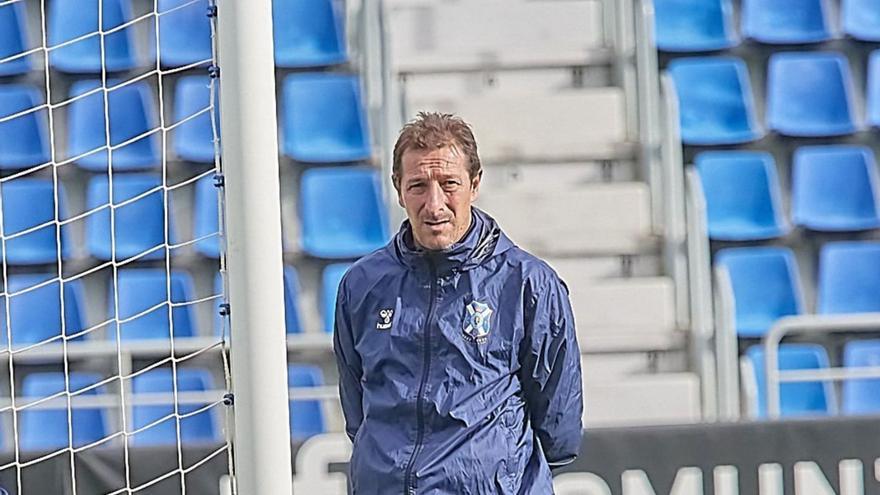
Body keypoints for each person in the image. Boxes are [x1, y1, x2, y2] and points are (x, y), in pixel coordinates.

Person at [333, 112, 583, 494]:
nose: (434, 205)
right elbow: (357, 409)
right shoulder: (361, 285)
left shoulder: (527, 283)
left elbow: (558, 424)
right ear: (398, 189)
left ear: (475, 184)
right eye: (418, 186)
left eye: (449, 184)